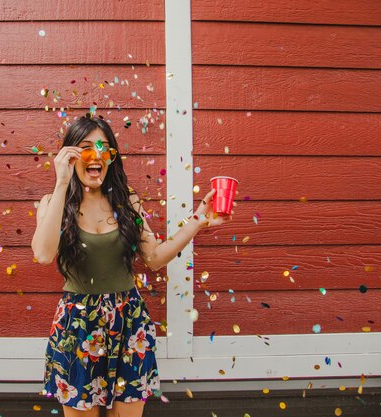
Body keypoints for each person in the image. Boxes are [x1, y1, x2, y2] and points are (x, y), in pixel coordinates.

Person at [31, 115, 236, 417]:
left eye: (103, 148)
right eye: (86, 147)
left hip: (129, 322)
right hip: (77, 325)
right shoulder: (53, 203)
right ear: (70, 156)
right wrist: (61, 182)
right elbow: (44, 254)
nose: (96, 155)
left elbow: (153, 258)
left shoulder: (128, 202)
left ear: (111, 157)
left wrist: (197, 221)